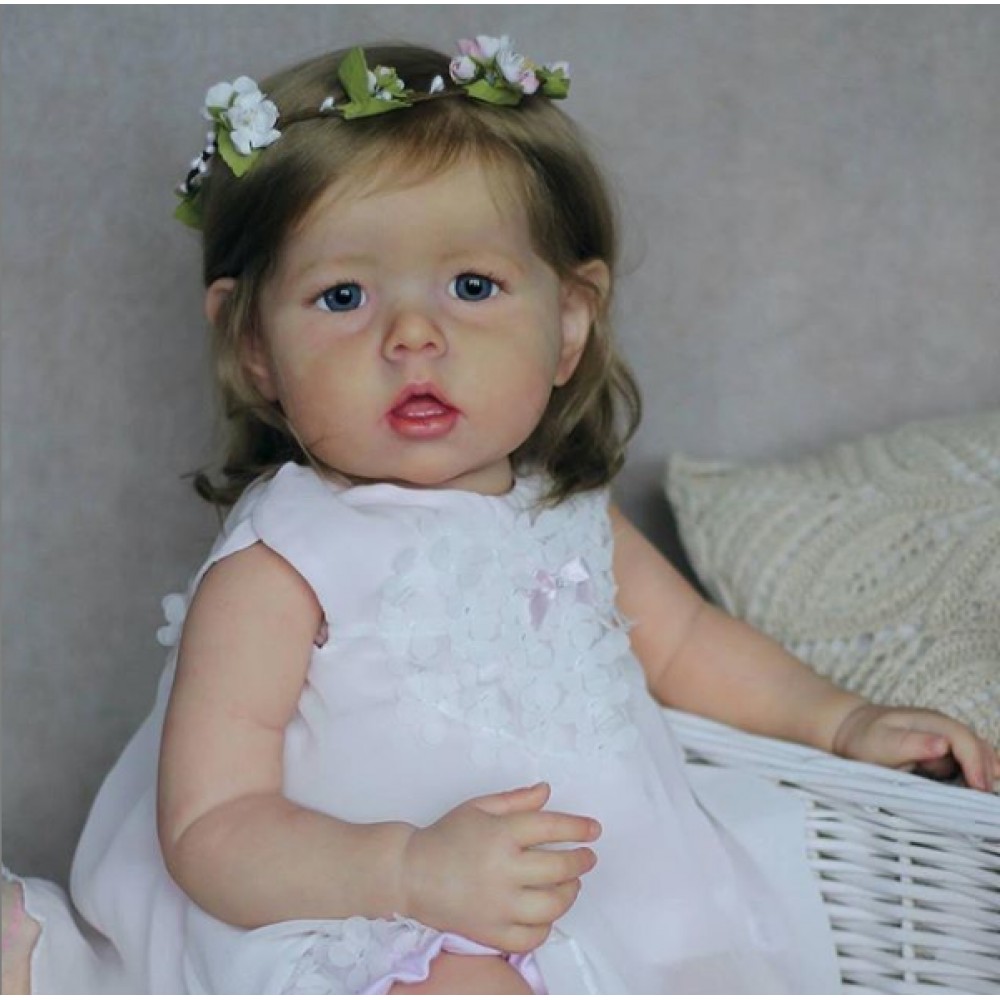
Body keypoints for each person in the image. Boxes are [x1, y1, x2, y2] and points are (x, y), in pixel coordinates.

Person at [6, 36, 998, 995]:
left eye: (472, 286)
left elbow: (691, 645)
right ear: (254, 345)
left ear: (567, 323)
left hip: (606, 912)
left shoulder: (566, 513)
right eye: (342, 296)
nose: (412, 336)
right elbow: (211, 826)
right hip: (365, 910)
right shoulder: (283, 563)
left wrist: (840, 720)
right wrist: (409, 872)